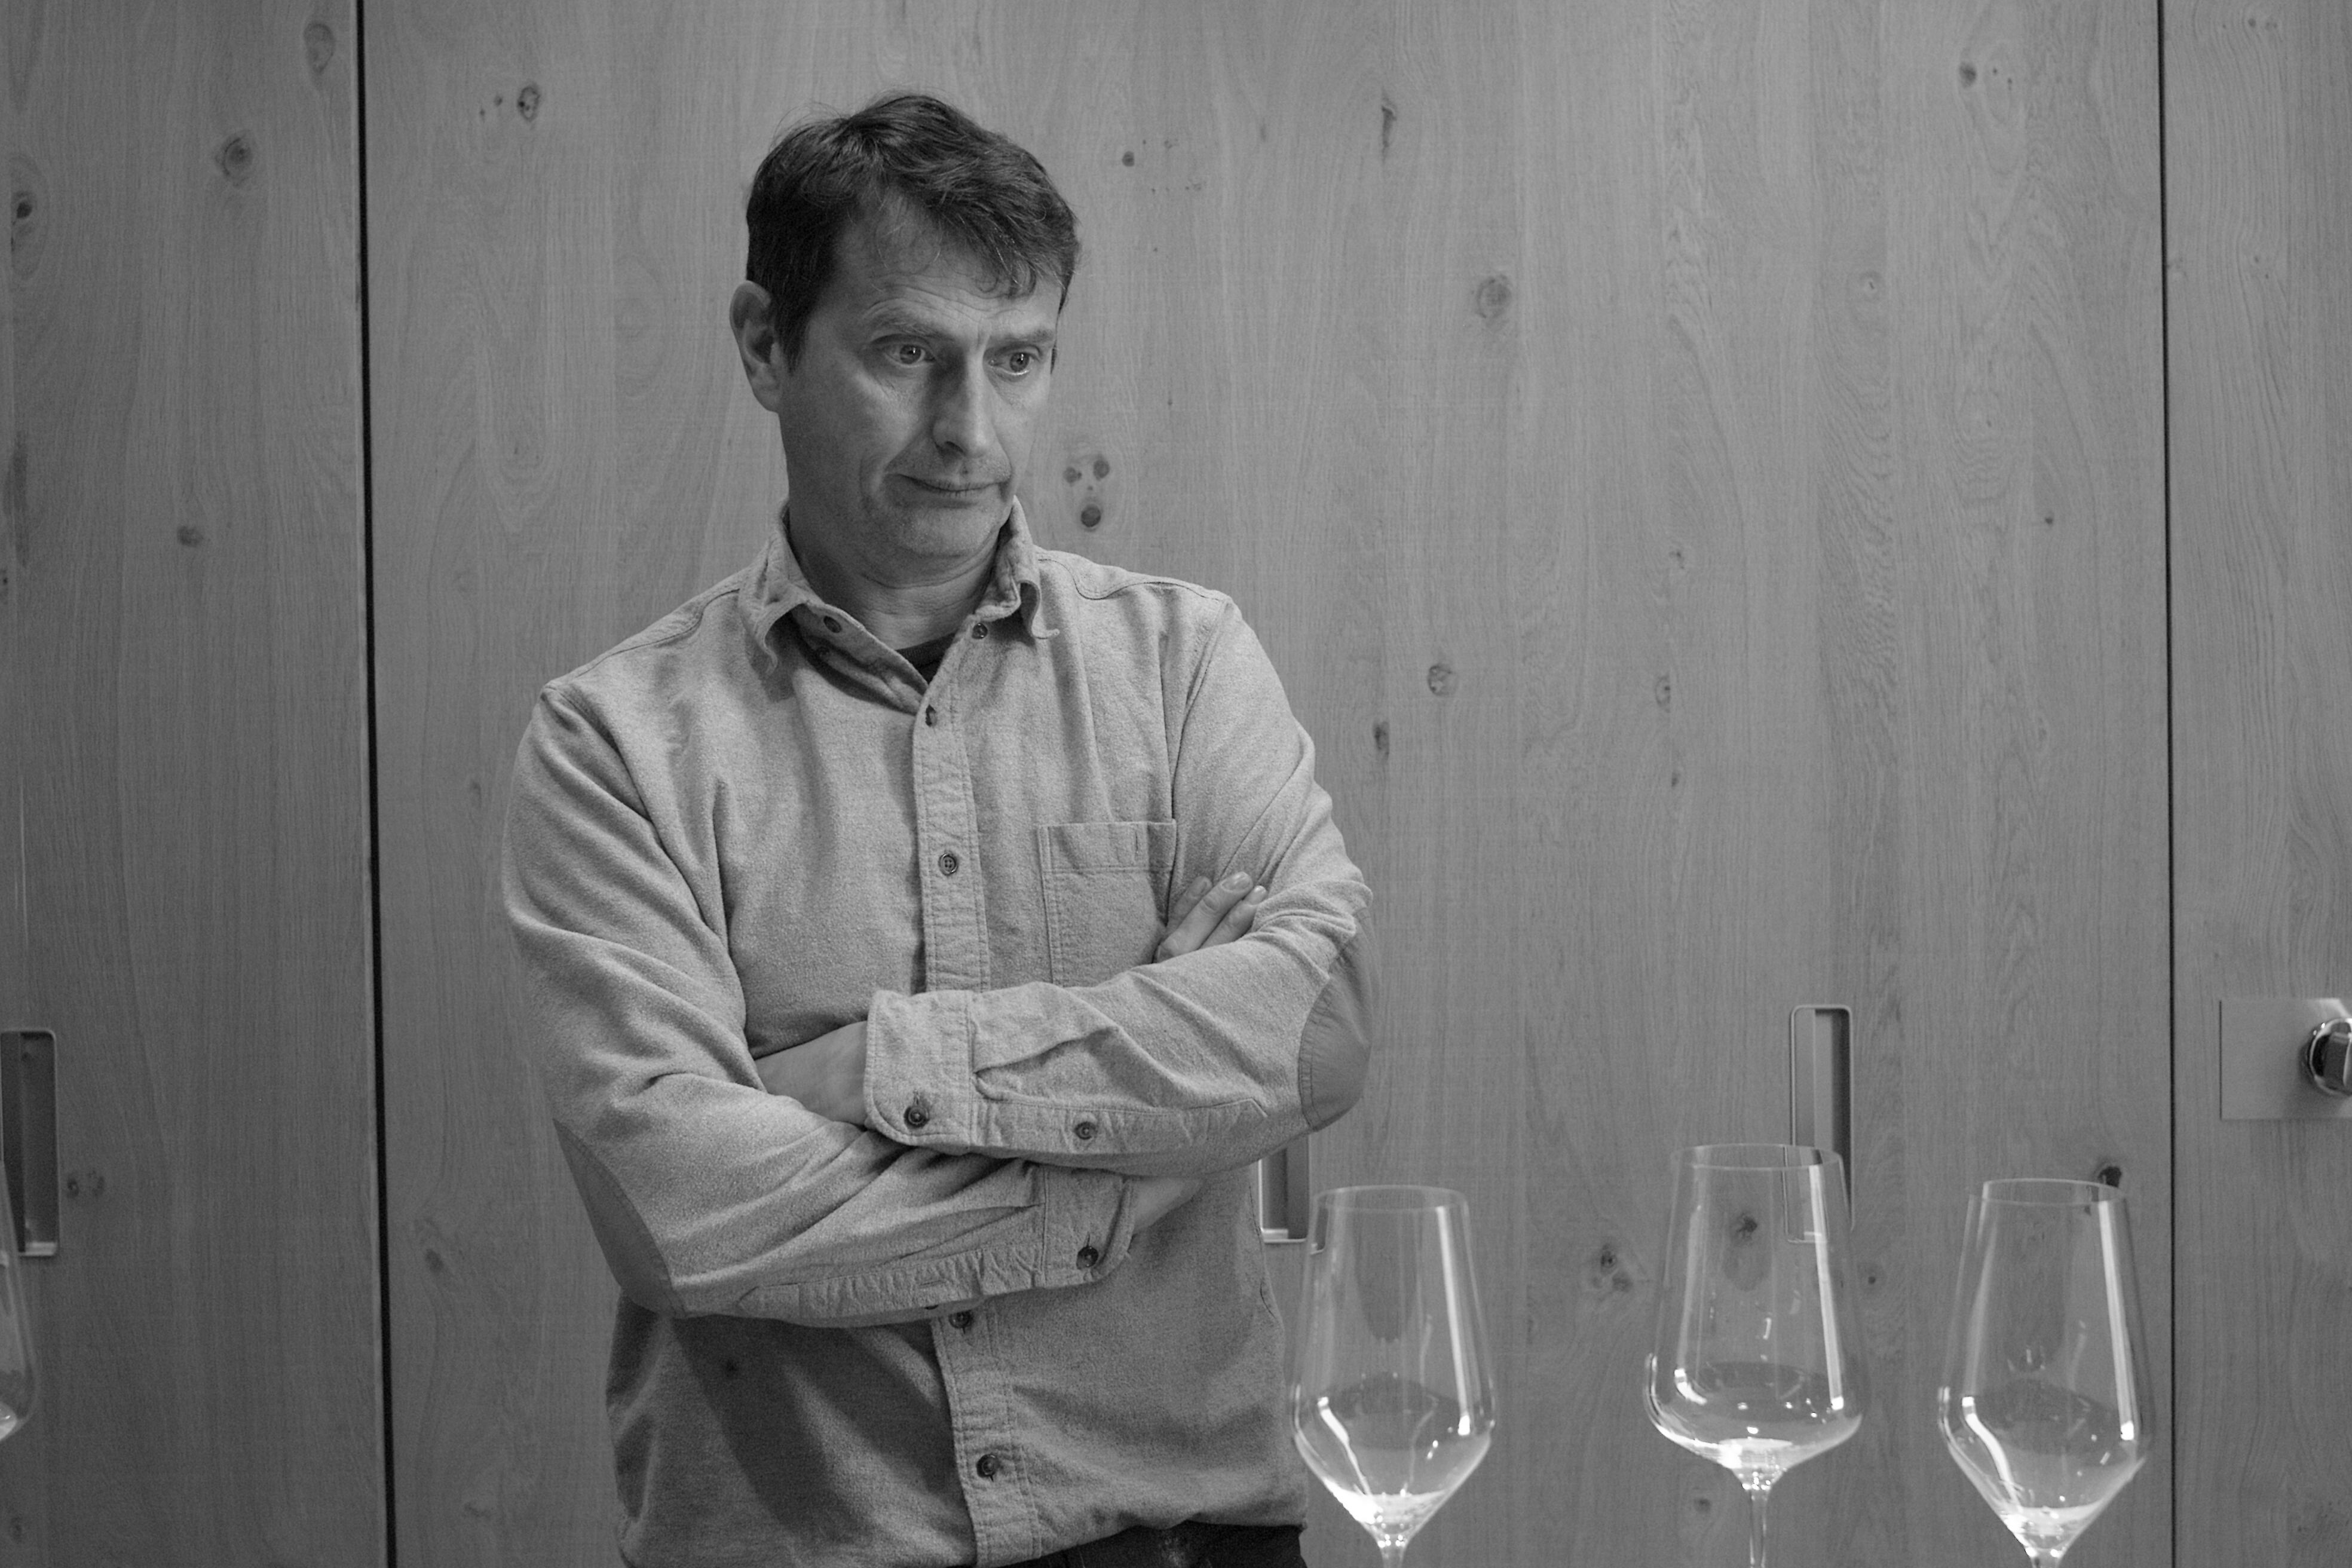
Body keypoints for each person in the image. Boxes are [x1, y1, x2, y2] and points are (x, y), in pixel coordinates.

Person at [502, 91, 1374, 1568]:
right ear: (765, 344)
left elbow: (1320, 1028)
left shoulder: (1186, 665)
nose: (972, 430)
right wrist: (1134, 1166)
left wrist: (885, 1067)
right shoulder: (615, 744)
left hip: (1187, 1541)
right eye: (908, 353)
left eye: (1017, 358)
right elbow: (679, 1213)